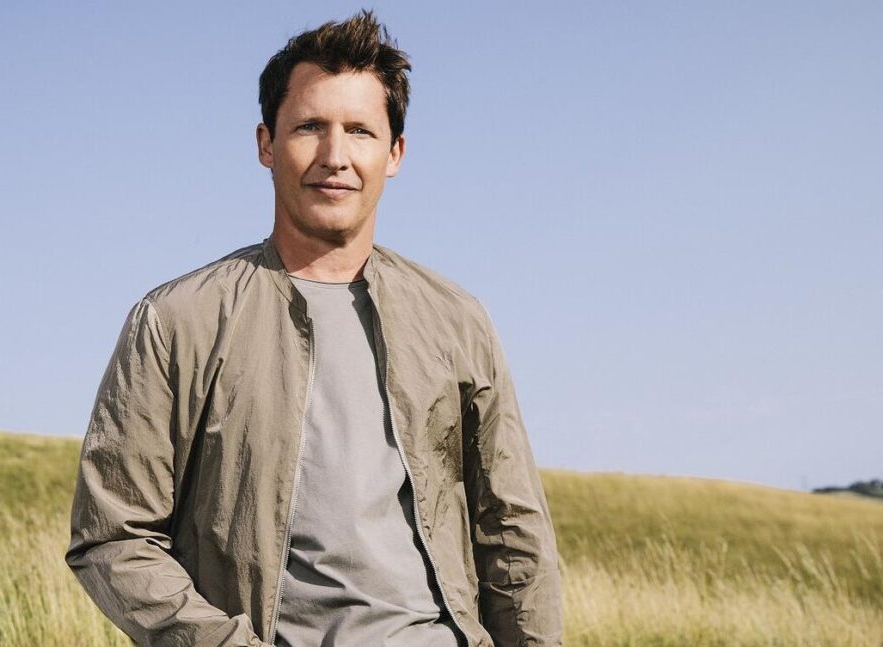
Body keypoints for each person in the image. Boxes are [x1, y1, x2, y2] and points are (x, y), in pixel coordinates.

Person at [66, 9, 562, 647]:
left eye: (360, 131)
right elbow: (114, 537)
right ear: (266, 145)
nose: (335, 156)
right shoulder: (175, 322)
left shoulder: (457, 321)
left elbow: (513, 531)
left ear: (395, 153)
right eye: (309, 127)